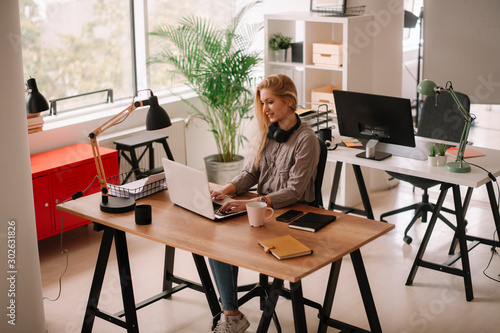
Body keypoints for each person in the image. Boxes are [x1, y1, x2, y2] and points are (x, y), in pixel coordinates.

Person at [208, 74, 320, 333]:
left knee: (224, 239)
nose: (265, 109)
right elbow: (251, 174)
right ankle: (232, 316)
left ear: (289, 101)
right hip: (262, 210)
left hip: (289, 216)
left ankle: (231, 316)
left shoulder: (306, 140)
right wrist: (228, 189)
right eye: (262, 103)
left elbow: (293, 191)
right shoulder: (268, 133)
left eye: (270, 102)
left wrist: (253, 203)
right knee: (217, 241)